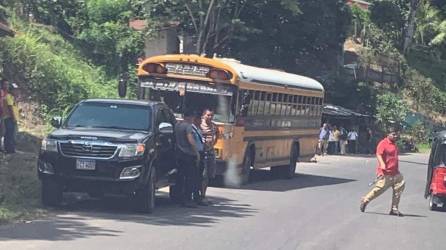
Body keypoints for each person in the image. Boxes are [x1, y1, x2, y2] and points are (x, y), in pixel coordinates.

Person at [360, 127, 405, 216]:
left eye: (396, 134)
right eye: (393, 134)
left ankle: (394, 209)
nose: (395, 136)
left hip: (395, 172)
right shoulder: (383, 143)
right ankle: (365, 200)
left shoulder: (394, 144)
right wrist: (382, 165)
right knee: (379, 190)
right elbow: (378, 154)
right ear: (388, 135)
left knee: (400, 186)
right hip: (385, 172)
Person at [174, 109, 202, 208]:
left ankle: (177, 198)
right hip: (188, 155)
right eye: (193, 117)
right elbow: (191, 140)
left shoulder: (177, 125)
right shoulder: (188, 127)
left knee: (180, 177)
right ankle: (187, 200)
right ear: (190, 117)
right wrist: (196, 153)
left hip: (178, 154)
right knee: (190, 178)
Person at [199, 108, 219, 204]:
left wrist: (212, 143)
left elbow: (217, 134)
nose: (210, 117)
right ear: (203, 115)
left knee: (208, 175)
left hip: (210, 152)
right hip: (200, 153)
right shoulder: (199, 125)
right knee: (203, 175)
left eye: (211, 115)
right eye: (208, 115)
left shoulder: (214, 126)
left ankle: (203, 195)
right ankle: (198, 195)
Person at [1, 80, 19, 154]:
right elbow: (10, 108)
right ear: (11, 90)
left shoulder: (12, 97)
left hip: (11, 118)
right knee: (9, 134)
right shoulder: (8, 97)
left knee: (11, 134)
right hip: (9, 118)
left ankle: (11, 149)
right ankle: (9, 149)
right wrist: (14, 118)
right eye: (15, 90)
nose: (16, 91)